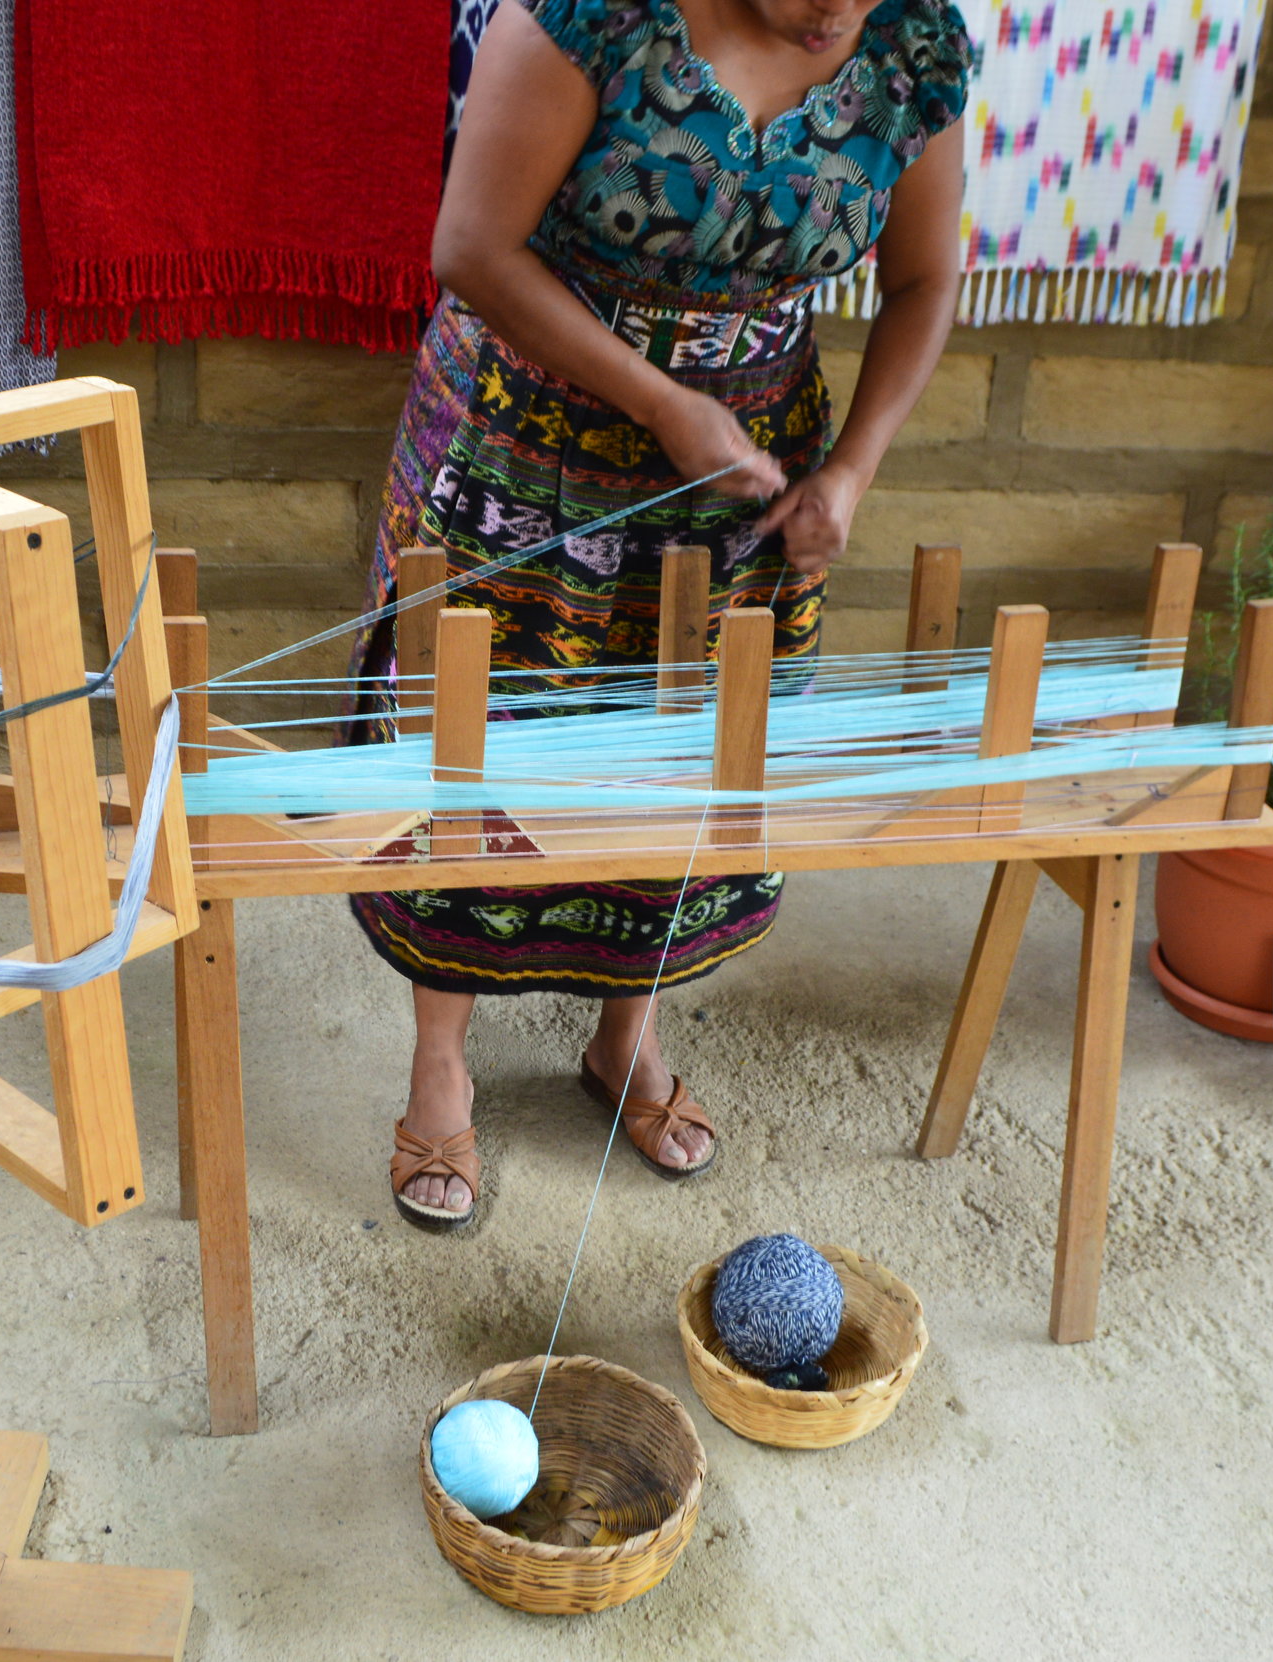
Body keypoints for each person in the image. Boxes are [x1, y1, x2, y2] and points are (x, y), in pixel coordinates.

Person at [357, 0, 968, 1230]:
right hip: (529, 436)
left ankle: (624, 1039)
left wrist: (847, 472)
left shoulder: (914, 45)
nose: (835, 18)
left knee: (689, 757)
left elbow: (924, 277)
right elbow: (472, 246)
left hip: (747, 460)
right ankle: (438, 1069)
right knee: (479, 749)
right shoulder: (593, 16)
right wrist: (656, 402)